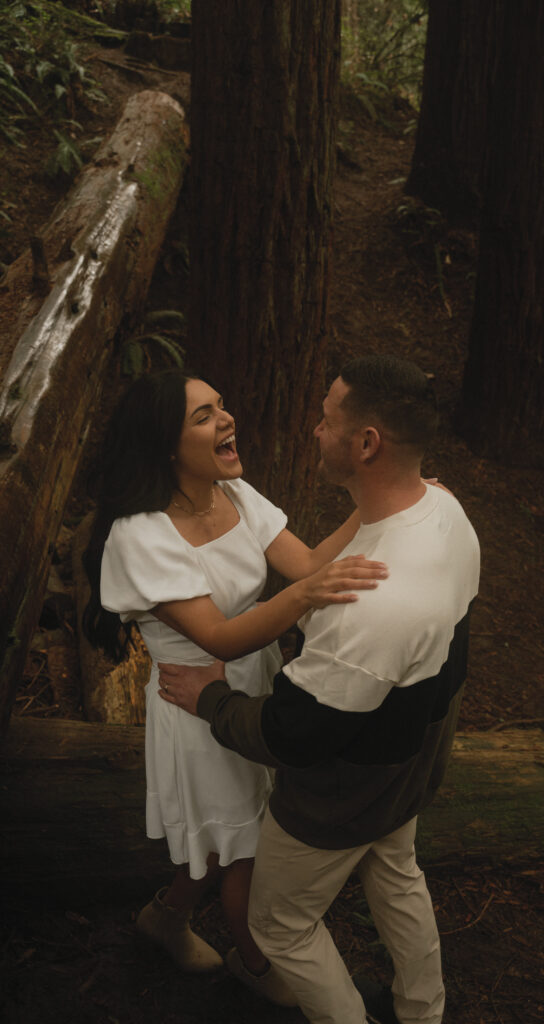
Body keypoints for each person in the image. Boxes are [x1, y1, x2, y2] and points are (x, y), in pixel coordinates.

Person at [158, 353, 481, 1024]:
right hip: (414, 757)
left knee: (280, 926)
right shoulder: (443, 510)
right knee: (395, 870)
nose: (313, 429)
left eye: (326, 419)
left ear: (366, 443)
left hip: (344, 791)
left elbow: (290, 736)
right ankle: (424, 1012)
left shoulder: (370, 605)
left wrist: (210, 698)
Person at [82, 370, 387, 1006]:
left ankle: (164, 916)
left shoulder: (236, 493)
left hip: (256, 687)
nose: (226, 419)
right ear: (166, 446)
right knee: (247, 846)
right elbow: (218, 637)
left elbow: (304, 564)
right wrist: (303, 597)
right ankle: (261, 967)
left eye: (222, 406)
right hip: (197, 704)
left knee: (234, 834)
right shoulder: (140, 535)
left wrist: (378, 499)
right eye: (203, 415)